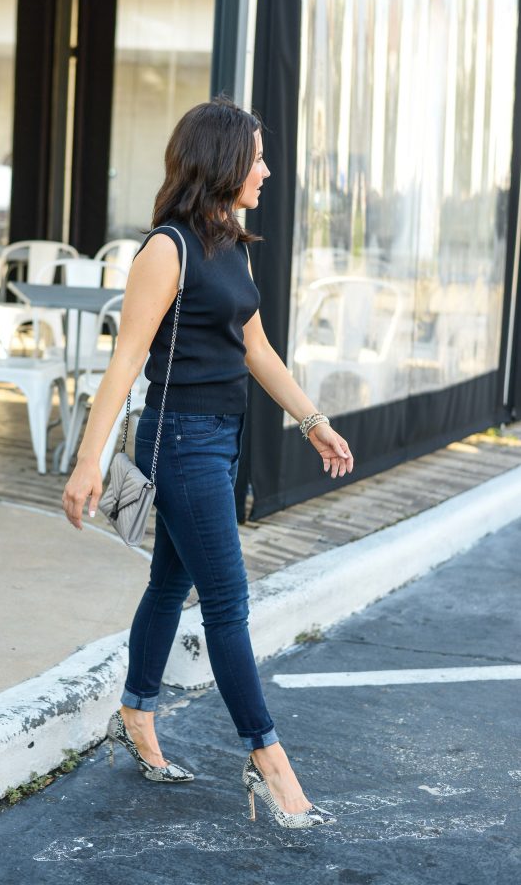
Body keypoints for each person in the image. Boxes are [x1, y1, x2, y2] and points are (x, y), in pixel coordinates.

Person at [62, 97, 354, 829]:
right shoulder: (167, 248)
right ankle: (268, 760)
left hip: (220, 434)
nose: (265, 168)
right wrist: (88, 459)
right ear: (222, 160)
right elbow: (126, 360)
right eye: (255, 155)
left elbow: (255, 349)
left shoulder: (231, 242)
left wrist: (312, 420)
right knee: (227, 602)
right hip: (180, 439)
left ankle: (135, 712)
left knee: (169, 583)